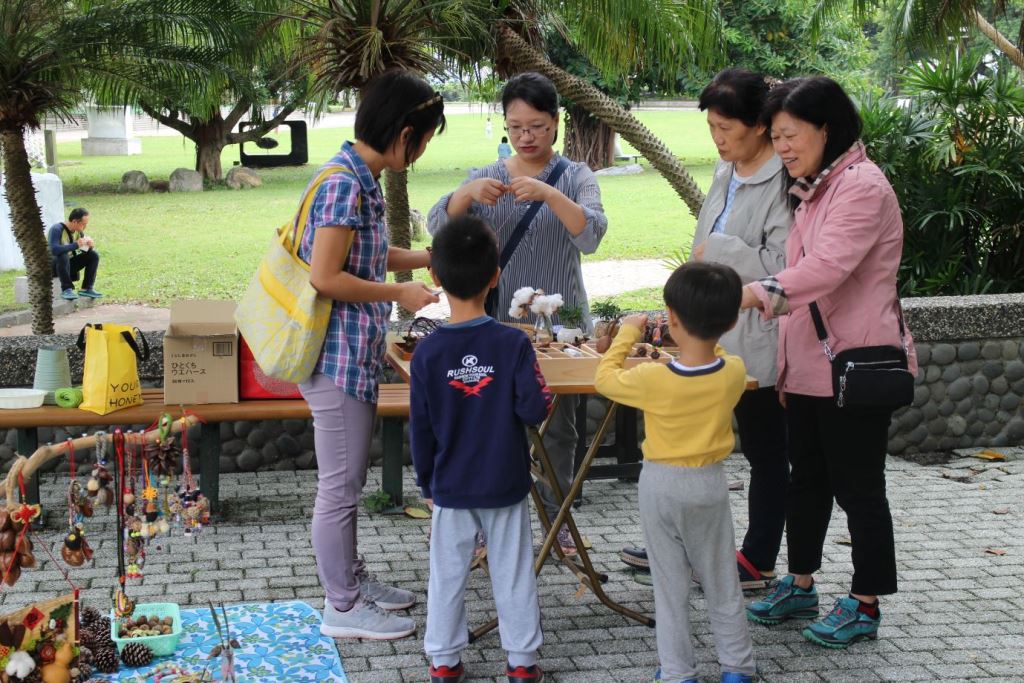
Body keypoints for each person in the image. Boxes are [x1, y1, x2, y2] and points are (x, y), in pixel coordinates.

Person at [740, 76, 916, 649]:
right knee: (806, 483)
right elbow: (806, 288)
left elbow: (827, 271)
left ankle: (865, 602)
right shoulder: (811, 189)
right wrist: (788, 370)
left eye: (791, 135)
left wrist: (752, 291)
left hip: (857, 366)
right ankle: (801, 581)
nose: (783, 147)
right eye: (777, 136)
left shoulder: (862, 187)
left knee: (859, 487)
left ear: (826, 129)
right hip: (812, 367)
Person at [620, 68, 791, 591]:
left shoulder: (783, 180)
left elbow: (784, 264)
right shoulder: (727, 171)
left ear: (760, 126)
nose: (717, 139)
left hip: (756, 334)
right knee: (690, 446)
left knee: (765, 450)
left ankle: (757, 560)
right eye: (712, 128)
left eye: (726, 129)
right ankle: (678, 548)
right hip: (705, 331)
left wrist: (716, 255)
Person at [428, 71, 608, 555]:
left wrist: (548, 194)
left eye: (538, 127)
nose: (527, 137)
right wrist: (466, 197)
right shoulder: (485, 176)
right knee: (490, 423)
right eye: (516, 127)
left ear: (556, 123)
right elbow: (439, 232)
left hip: (561, 326)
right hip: (493, 328)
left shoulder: (575, 176)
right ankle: (489, 526)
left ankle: (557, 518)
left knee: (560, 428)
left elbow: (590, 234)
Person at [297, 70, 444, 640]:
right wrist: (401, 294)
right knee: (340, 486)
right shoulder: (343, 183)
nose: (426, 148)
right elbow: (327, 276)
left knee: (348, 481)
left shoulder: (362, 177)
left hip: (351, 357)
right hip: (333, 360)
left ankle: (352, 580)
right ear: (405, 132)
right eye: (426, 136)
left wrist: (423, 258)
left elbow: (369, 255)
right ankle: (342, 604)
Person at [595, 263, 756, 683]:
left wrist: (628, 333)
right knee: (721, 579)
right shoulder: (733, 373)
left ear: (673, 320)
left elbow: (605, 378)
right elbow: (716, 357)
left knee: (669, 587)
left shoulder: (652, 378)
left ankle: (678, 671)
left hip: (661, 484)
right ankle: (737, 668)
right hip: (710, 484)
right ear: (732, 320)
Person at [412, 215, 551, 683]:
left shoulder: (427, 353)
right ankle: (522, 662)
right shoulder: (513, 343)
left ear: (434, 277)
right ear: (496, 276)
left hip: (449, 485)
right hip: (505, 480)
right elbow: (534, 409)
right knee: (512, 572)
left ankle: (445, 660)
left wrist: (426, 482)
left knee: (446, 575)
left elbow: (422, 427)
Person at [49, 208, 102, 300]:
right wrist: (75, 244)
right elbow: (54, 250)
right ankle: (66, 289)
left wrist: (89, 247)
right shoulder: (56, 229)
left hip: (66, 265)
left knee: (93, 255)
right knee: (63, 254)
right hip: (51, 267)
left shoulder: (78, 232)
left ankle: (86, 288)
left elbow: (82, 251)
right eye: (83, 224)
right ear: (74, 222)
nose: (85, 227)